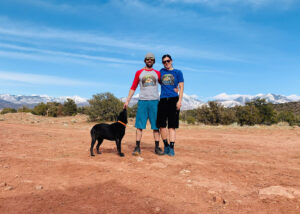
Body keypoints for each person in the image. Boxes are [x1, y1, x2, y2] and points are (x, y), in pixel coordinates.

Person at [124, 53, 164, 156]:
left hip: (154, 101)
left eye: (151, 59)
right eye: (147, 59)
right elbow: (133, 87)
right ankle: (137, 147)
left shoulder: (157, 73)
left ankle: (157, 147)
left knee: (156, 126)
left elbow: (164, 85)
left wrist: (175, 90)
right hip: (142, 101)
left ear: (154, 61)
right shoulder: (139, 73)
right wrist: (128, 100)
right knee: (139, 126)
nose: (149, 60)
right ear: (145, 60)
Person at [156, 54, 184, 156]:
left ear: (171, 61)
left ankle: (172, 148)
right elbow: (159, 82)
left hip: (173, 100)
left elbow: (181, 87)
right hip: (163, 100)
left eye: (168, 61)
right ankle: (166, 145)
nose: (166, 63)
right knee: (161, 125)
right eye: (164, 62)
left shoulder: (178, 72)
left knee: (172, 126)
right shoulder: (161, 72)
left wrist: (179, 101)